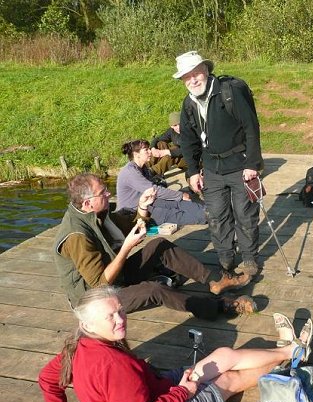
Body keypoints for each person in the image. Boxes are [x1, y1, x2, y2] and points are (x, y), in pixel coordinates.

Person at [38, 286, 313, 402]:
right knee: (227, 380)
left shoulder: (76, 346)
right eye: (109, 316)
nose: (120, 319)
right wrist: (184, 392)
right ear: (87, 324)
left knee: (223, 355)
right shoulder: (113, 365)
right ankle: (292, 359)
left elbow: (47, 379)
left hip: (156, 389)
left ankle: (290, 350)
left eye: (120, 310)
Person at [53, 173, 255, 320]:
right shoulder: (77, 236)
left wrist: (142, 206)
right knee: (153, 290)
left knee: (159, 245)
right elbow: (100, 284)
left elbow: (130, 226)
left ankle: (216, 281)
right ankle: (216, 306)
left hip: (116, 277)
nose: (108, 194)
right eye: (102, 192)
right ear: (87, 203)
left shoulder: (96, 213)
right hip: (95, 300)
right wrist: (126, 248)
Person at [174, 51, 263, 277]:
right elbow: (188, 140)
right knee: (216, 216)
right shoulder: (188, 104)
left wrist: (252, 163)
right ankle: (225, 259)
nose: (193, 80)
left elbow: (251, 128)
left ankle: (250, 257)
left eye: (196, 74)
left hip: (240, 165)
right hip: (212, 169)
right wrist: (193, 172)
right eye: (187, 77)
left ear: (206, 71)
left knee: (245, 214)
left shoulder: (229, 92)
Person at [116, 139, 206, 226]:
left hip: (148, 202)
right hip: (133, 213)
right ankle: (208, 218)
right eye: (146, 150)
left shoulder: (143, 168)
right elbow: (153, 189)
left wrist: (178, 197)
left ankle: (208, 211)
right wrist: (180, 195)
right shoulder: (130, 172)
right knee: (172, 214)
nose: (150, 151)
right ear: (136, 154)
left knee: (177, 202)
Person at [149, 111, 187, 177]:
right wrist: (153, 148)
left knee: (172, 152)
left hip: (193, 161)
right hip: (180, 157)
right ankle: (145, 166)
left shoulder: (190, 131)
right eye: (175, 125)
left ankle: (152, 172)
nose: (178, 127)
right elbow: (157, 139)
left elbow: (190, 150)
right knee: (160, 143)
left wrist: (168, 152)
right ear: (171, 126)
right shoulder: (172, 131)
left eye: (180, 124)